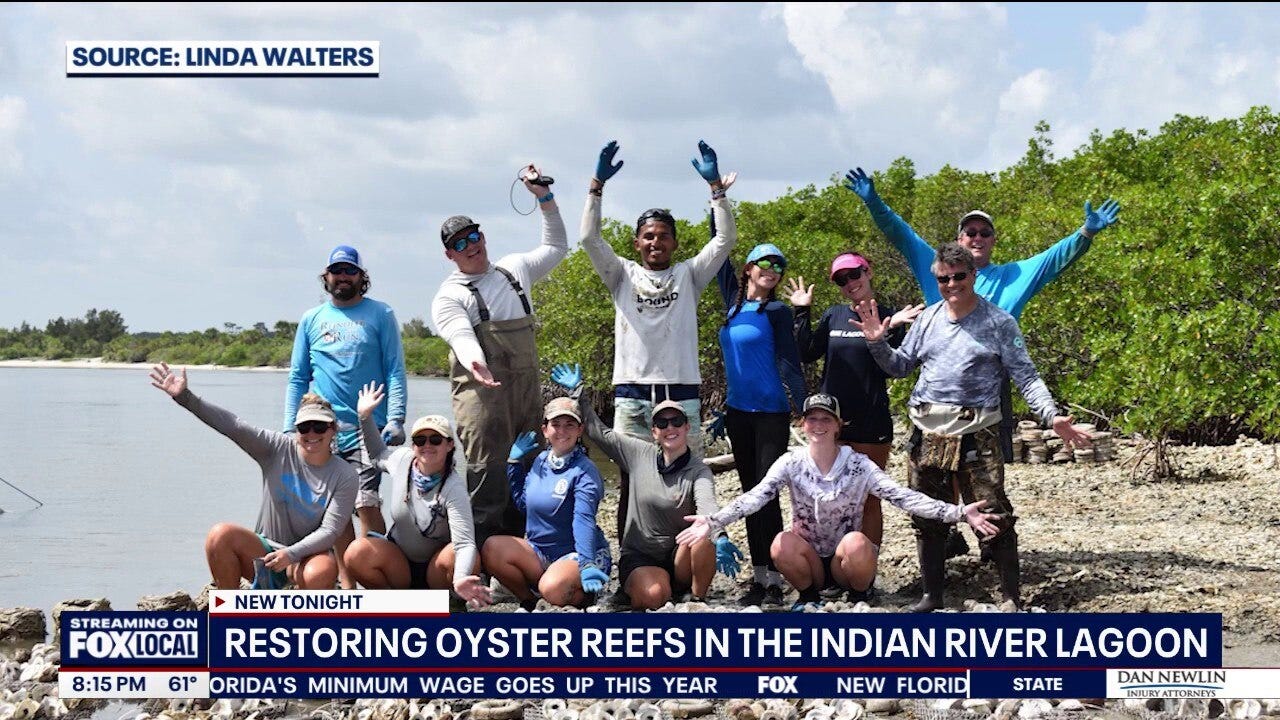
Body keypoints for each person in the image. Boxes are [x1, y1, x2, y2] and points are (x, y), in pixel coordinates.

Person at [844, 166, 1120, 555]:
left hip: (988, 385)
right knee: (936, 470)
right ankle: (948, 535)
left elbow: (1055, 258)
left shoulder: (1015, 275)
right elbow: (900, 233)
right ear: (958, 241)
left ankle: (991, 540)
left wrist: (1086, 233)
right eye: (969, 232)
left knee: (983, 471)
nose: (976, 237)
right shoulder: (938, 265)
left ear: (992, 241)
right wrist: (873, 201)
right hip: (939, 387)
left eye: (984, 233)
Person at [853, 242, 1092, 611]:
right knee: (927, 514)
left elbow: (1026, 376)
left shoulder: (999, 322)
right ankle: (932, 595)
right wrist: (876, 343)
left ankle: (1010, 597)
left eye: (959, 276)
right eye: (943, 279)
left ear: (973, 275)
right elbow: (899, 366)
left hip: (976, 433)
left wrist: (1051, 416)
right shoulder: (928, 319)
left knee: (994, 512)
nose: (951, 284)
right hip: (927, 431)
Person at [678, 394, 998, 611]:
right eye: (812, 419)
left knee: (858, 542)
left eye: (826, 419)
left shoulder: (859, 464)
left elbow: (903, 497)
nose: (818, 425)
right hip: (810, 559)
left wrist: (958, 513)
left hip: (845, 559)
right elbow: (756, 496)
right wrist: (714, 521)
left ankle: (859, 595)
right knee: (780, 544)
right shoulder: (790, 462)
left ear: (837, 425)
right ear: (803, 424)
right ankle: (808, 595)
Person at [581, 140, 738, 540]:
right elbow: (590, 240)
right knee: (630, 479)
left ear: (675, 242)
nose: (656, 243)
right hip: (631, 393)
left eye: (664, 236)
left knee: (687, 477)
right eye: (648, 236)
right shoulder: (621, 275)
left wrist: (716, 190)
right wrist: (596, 185)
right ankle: (631, 558)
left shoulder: (690, 275)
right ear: (637, 242)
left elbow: (724, 241)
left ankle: (686, 553)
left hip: (681, 391)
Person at [431, 167, 568, 544]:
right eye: (460, 243)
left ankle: (529, 550)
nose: (470, 246)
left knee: (531, 468)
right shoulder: (450, 295)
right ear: (449, 254)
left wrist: (544, 198)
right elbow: (460, 334)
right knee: (487, 476)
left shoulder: (514, 270)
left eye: (473, 236)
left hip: (525, 394)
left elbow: (557, 246)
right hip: (481, 398)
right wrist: (476, 360)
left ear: (483, 237)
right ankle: (477, 557)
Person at [151, 362, 357, 590]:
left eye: (320, 427)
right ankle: (231, 607)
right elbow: (234, 426)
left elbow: (330, 531)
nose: (312, 434)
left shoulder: (345, 474)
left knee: (321, 571)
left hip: (308, 557)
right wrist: (185, 398)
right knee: (219, 535)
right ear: (296, 429)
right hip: (266, 553)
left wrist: (291, 554)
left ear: (333, 429)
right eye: (304, 427)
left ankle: (301, 606)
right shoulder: (277, 448)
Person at [552, 363, 741, 610]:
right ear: (654, 432)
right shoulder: (638, 454)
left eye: (676, 421)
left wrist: (721, 536)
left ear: (687, 427)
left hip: (679, 556)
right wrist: (578, 393)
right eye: (662, 423)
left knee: (704, 532)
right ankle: (655, 592)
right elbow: (600, 433)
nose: (670, 428)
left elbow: (708, 506)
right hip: (641, 557)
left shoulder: (698, 470)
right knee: (653, 596)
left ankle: (696, 601)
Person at [789, 252, 924, 570]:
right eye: (841, 279)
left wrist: (889, 331)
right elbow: (806, 353)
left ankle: (865, 572)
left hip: (871, 421)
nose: (850, 282)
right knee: (829, 496)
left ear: (868, 272)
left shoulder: (890, 316)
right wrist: (801, 311)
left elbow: (894, 369)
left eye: (854, 274)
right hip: (831, 424)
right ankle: (832, 568)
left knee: (868, 499)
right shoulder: (834, 315)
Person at [284, 244, 407, 588]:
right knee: (332, 509)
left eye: (350, 270)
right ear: (326, 277)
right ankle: (347, 586)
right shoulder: (311, 319)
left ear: (361, 276)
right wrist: (289, 427)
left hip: (368, 427)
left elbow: (395, 369)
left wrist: (396, 418)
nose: (343, 276)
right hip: (321, 430)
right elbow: (298, 376)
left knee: (366, 502)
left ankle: (380, 577)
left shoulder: (381, 313)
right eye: (337, 270)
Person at [714, 241, 807, 608]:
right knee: (748, 494)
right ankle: (759, 575)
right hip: (738, 413)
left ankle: (775, 579)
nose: (772, 270)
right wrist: (716, 202)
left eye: (779, 266)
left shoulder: (777, 311)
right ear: (749, 268)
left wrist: (805, 407)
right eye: (765, 263)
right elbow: (720, 246)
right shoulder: (733, 303)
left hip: (770, 414)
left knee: (765, 495)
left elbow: (790, 361)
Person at [340, 383, 491, 608]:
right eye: (421, 440)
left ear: (450, 445)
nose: (427, 445)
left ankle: (449, 603)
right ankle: (394, 606)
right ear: (413, 446)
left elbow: (465, 543)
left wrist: (460, 578)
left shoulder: (454, 487)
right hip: (398, 563)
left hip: (435, 568)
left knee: (461, 555)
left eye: (435, 440)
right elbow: (378, 455)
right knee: (356, 552)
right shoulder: (402, 460)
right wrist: (365, 417)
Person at [482, 396, 612, 610]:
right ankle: (530, 601)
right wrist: (514, 464)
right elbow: (525, 505)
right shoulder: (541, 461)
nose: (562, 431)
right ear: (545, 430)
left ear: (580, 430)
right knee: (491, 548)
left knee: (552, 588)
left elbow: (584, 519)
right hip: (540, 551)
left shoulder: (585, 471)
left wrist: (586, 561)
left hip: (578, 553)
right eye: (556, 424)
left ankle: (585, 593)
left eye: (569, 425)